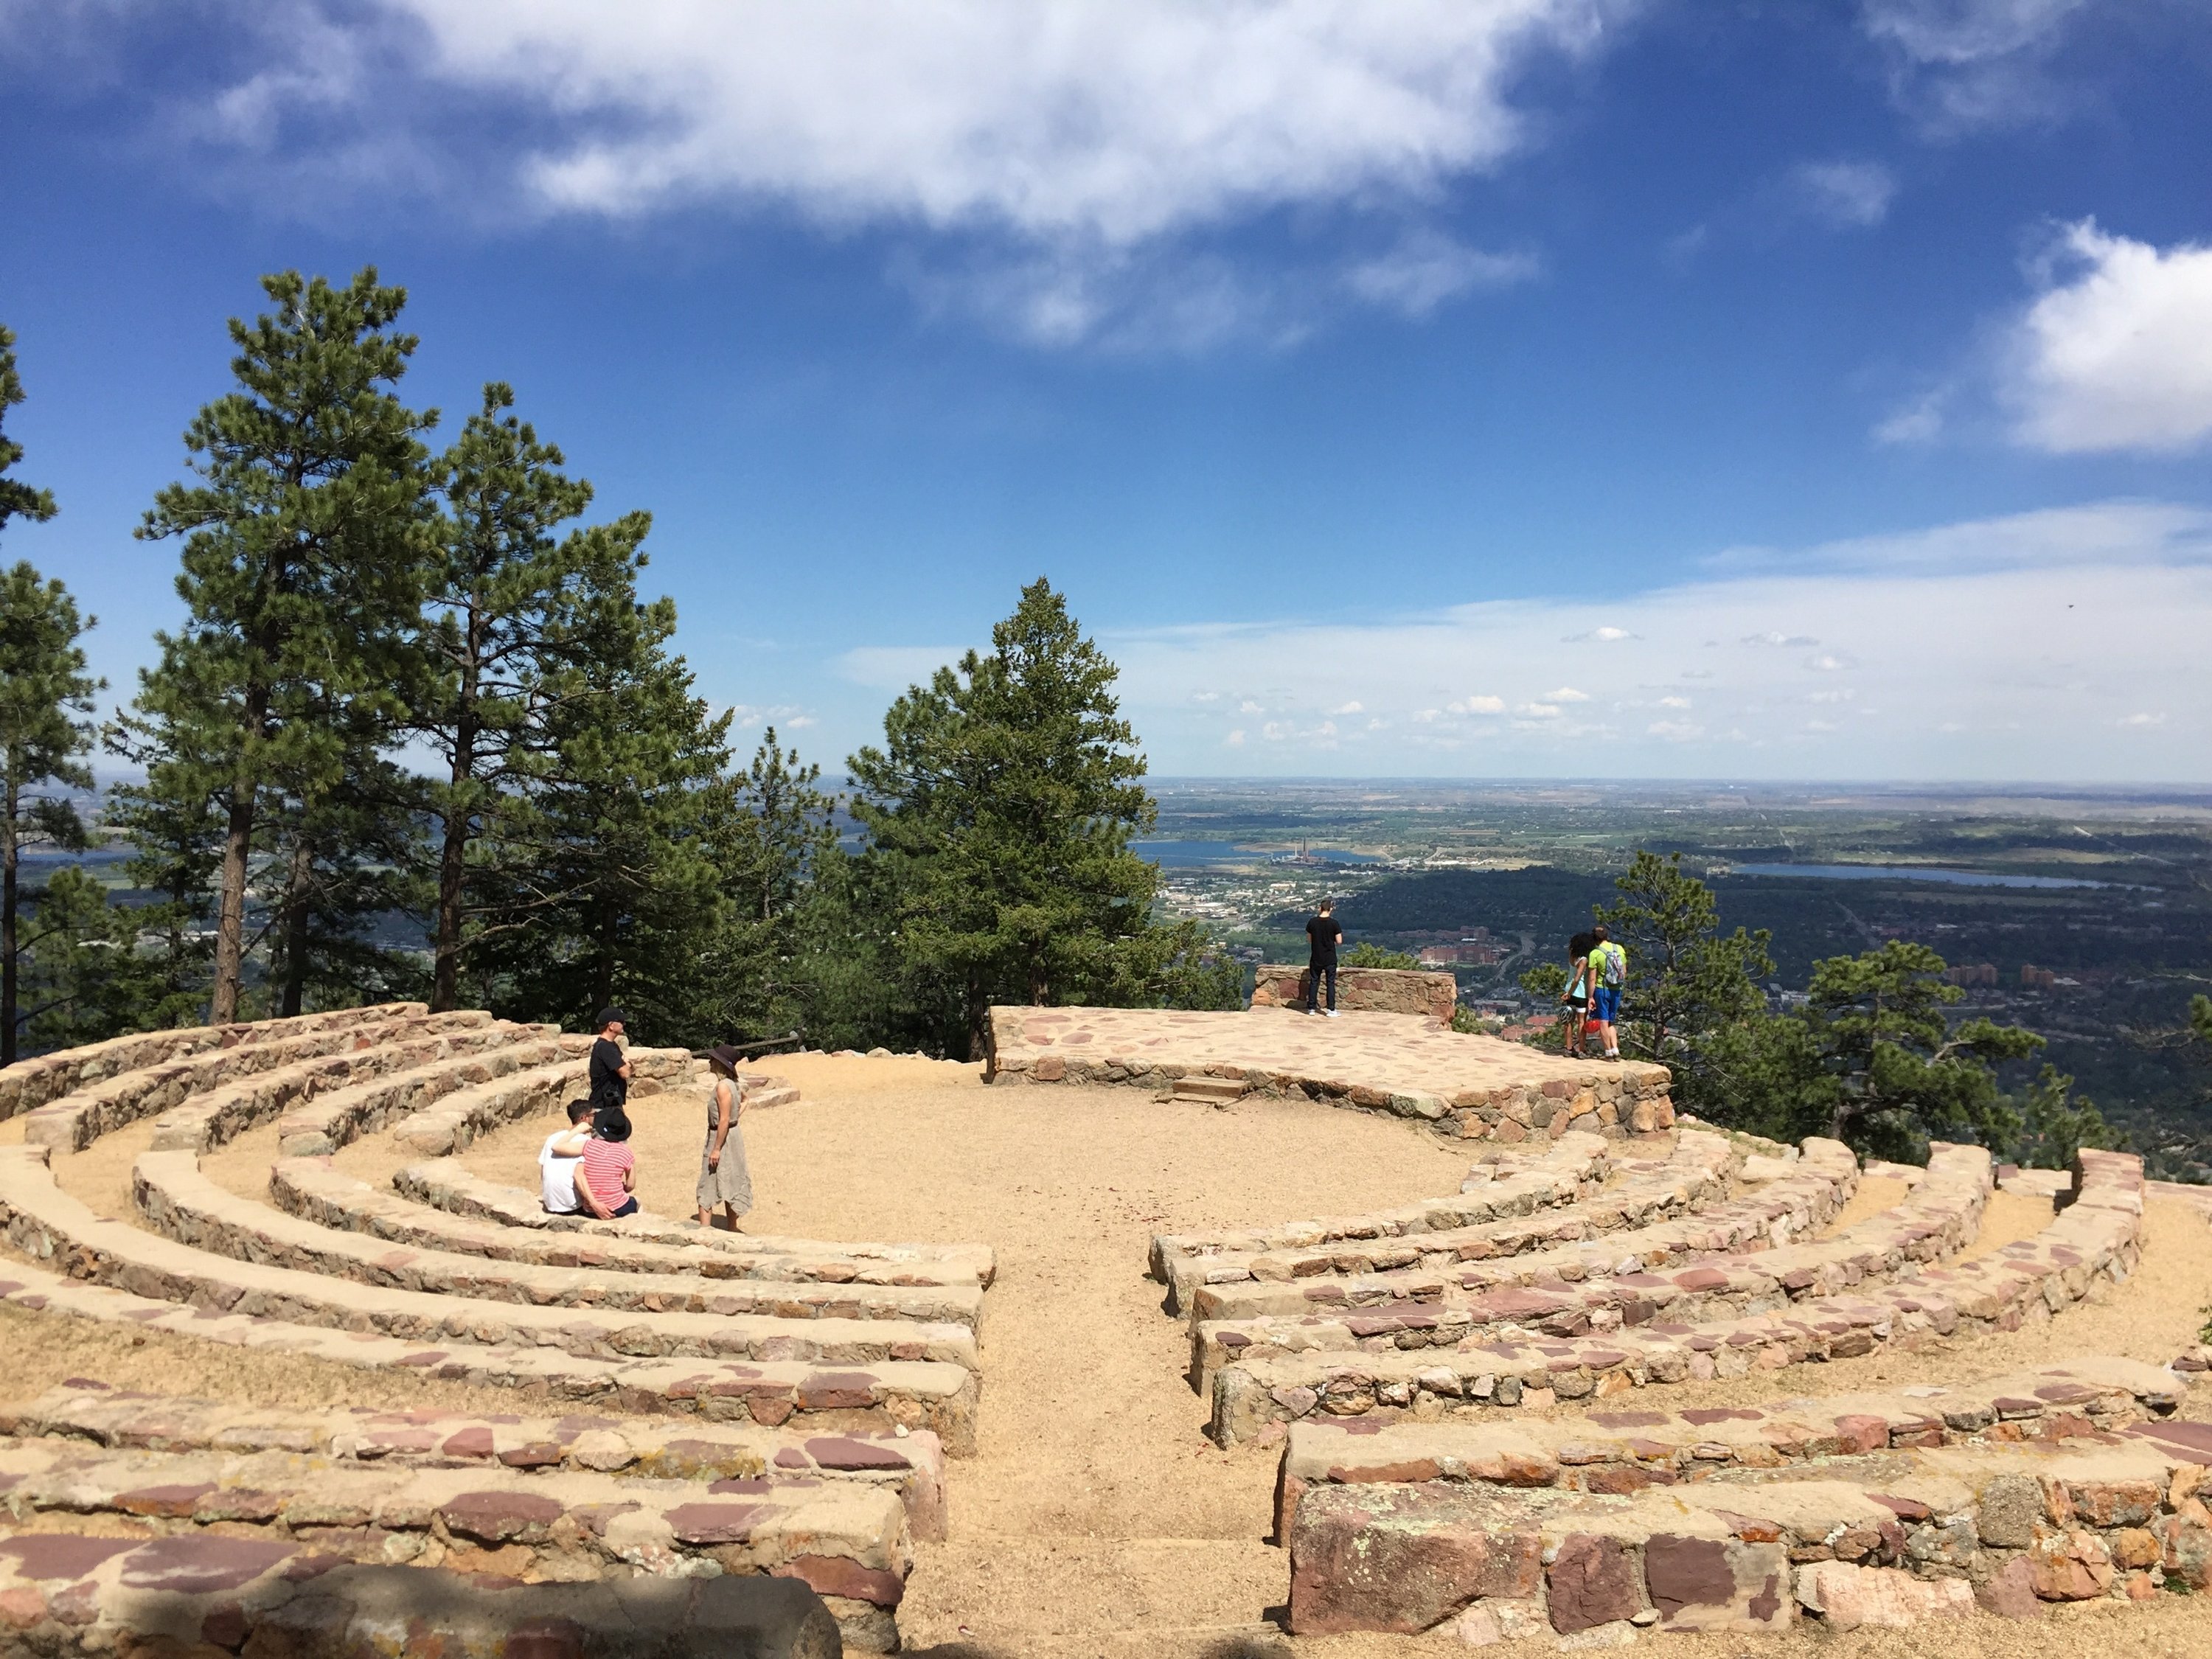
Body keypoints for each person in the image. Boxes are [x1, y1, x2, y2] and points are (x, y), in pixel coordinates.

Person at [696, 1045, 756, 1231]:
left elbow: (723, 1120)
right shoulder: (733, 1085)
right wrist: (735, 1118)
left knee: (707, 1184)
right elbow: (743, 1102)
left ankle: (705, 1232)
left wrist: (716, 1148)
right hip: (733, 1134)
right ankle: (732, 1227)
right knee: (732, 1179)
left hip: (722, 1136)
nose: (710, 1062)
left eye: (713, 1059)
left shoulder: (723, 1087)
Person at [580, 1107, 639, 1219]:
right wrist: (623, 1188)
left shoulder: (589, 1145)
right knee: (637, 1202)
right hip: (617, 1207)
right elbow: (631, 1185)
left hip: (590, 1209)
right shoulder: (625, 1152)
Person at [538, 1099, 594, 1216]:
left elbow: (543, 1171)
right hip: (572, 1206)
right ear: (584, 1118)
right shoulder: (586, 1142)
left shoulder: (553, 1138)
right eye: (593, 1114)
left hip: (550, 1203)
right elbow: (582, 1178)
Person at [1587, 924, 1627, 1061]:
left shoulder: (1595, 953)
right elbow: (1624, 971)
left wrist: (1590, 997)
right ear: (1607, 936)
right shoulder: (1619, 949)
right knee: (1611, 1021)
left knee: (1603, 1021)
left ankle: (1608, 1052)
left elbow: (1592, 978)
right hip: (1617, 989)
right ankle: (1616, 1051)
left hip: (1602, 989)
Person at [588, 1007, 632, 1116]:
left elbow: (629, 1068)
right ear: (611, 1025)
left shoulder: (611, 1046)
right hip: (604, 1106)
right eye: (621, 1021)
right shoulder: (605, 1048)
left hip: (612, 1102)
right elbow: (626, 1073)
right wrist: (626, 1064)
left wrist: (628, 1064)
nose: (624, 1024)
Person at [1305, 899, 1344, 1018]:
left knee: (1314, 982)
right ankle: (1331, 1009)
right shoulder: (1334, 923)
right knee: (1330, 983)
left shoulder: (1312, 922)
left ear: (1320, 908)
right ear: (1330, 909)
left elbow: (1309, 939)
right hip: (1330, 958)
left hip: (1316, 956)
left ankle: (1311, 1008)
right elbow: (1339, 941)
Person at [1562, 930, 1596, 1057]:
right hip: (1581, 994)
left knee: (1568, 1020)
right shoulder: (1584, 960)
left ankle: (1568, 1047)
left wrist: (1568, 993)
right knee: (1581, 1022)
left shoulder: (1572, 956)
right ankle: (1581, 1049)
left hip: (1568, 992)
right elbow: (1577, 978)